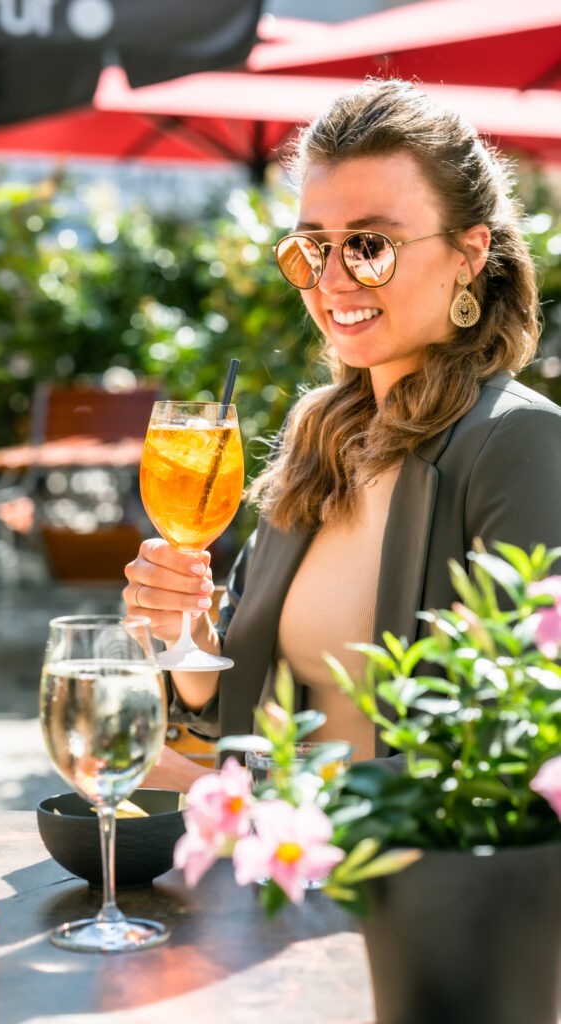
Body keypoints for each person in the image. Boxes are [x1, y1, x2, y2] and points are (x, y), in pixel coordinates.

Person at [123, 78, 561, 789]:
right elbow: (221, 708)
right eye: (311, 248)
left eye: (370, 246)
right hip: (268, 885)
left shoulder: (517, 443)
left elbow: (514, 754)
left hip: (399, 888)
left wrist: (226, 797)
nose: (332, 280)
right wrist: (184, 632)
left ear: (469, 253)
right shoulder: (319, 440)